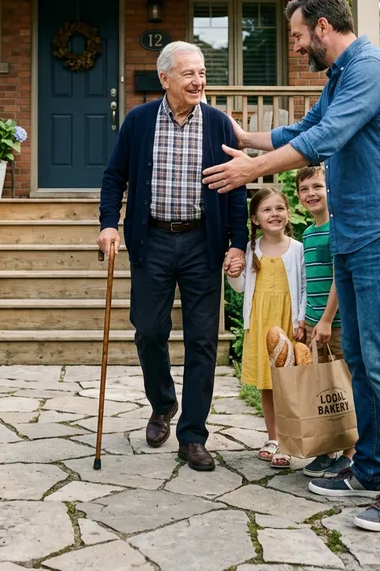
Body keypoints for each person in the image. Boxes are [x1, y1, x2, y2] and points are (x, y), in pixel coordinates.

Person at [203, 0, 380, 531]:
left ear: (324, 27)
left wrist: (250, 173)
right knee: (359, 357)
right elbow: (299, 131)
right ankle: (370, 468)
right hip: (356, 235)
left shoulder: (371, 68)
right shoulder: (340, 78)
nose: (298, 46)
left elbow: (322, 140)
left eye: (300, 36)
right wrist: (244, 139)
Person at [97, 41, 247, 472]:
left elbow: (235, 188)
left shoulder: (219, 125)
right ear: (165, 79)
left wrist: (238, 242)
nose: (198, 81)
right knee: (148, 330)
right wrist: (109, 223)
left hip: (203, 242)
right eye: (188, 74)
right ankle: (163, 404)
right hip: (153, 240)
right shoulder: (139, 121)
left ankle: (193, 436)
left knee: (203, 340)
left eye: (201, 72)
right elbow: (114, 177)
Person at [226, 187, 305, 469]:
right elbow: (241, 288)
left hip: (287, 323)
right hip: (260, 324)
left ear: (288, 213)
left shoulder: (297, 249)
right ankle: (272, 438)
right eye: (267, 210)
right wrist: (232, 272)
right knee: (268, 385)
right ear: (255, 219)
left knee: (289, 386)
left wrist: (302, 319)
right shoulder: (250, 249)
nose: (275, 214)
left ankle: (288, 441)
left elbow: (305, 288)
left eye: (279, 208)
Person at [295, 164, 355, 478]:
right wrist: (307, 320)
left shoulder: (338, 228)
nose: (311, 194)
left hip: (336, 323)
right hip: (314, 324)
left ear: (330, 190)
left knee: (342, 386)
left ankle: (350, 452)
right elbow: (310, 281)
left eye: (317, 187)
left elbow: (339, 279)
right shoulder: (308, 232)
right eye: (305, 189)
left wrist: (327, 319)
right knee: (322, 389)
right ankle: (327, 450)